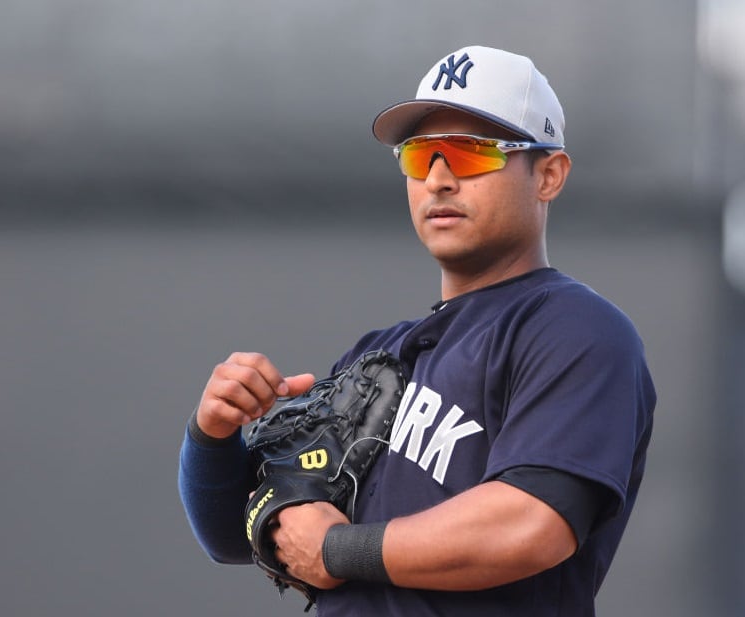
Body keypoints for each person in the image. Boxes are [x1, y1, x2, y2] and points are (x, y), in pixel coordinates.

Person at [178, 45, 656, 616]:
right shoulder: (379, 354)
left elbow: (531, 525)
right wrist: (213, 434)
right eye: (420, 155)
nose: (438, 179)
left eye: (470, 154)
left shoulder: (573, 329)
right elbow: (233, 537)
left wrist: (335, 550)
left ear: (548, 175)